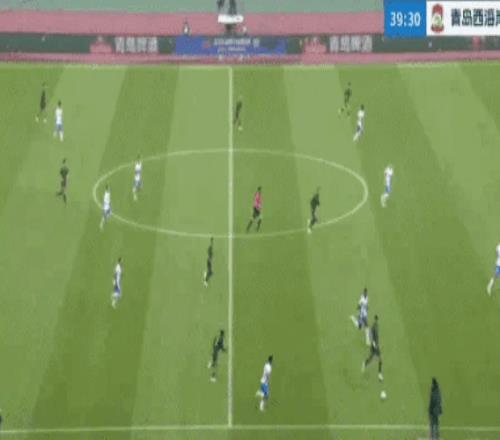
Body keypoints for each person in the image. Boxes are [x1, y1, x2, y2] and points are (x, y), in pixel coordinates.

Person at [362, 315, 383, 381]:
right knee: (371, 358)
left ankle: (379, 374)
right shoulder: (373, 327)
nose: (377, 321)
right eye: (376, 320)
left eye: (377, 320)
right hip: (374, 346)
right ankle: (365, 363)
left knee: (380, 360)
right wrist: (373, 343)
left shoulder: (377, 325)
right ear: (375, 319)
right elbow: (370, 335)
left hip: (377, 346)